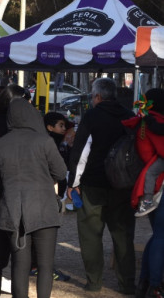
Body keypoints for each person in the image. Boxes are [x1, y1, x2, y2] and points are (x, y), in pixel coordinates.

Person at [67, 77, 136, 294]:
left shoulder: (92, 116)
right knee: (123, 236)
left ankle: (94, 282)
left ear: (97, 96)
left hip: (93, 184)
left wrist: (72, 183)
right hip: (123, 185)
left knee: (90, 235)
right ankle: (127, 284)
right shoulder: (129, 116)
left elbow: (81, 154)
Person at [0, 98, 67, 298]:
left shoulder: (1, 144)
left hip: (13, 209)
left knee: (19, 265)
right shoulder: (44, 141)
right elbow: (60, 172)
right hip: (43, 206)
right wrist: (44, 179)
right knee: (45, 265)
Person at [122, 89, 164, 298]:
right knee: (161, 236)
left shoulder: (145, 120)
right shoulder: (154, 122)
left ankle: (146, 282)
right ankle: (155, 285)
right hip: (158, 184)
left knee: (157, 235)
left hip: (152, 181)